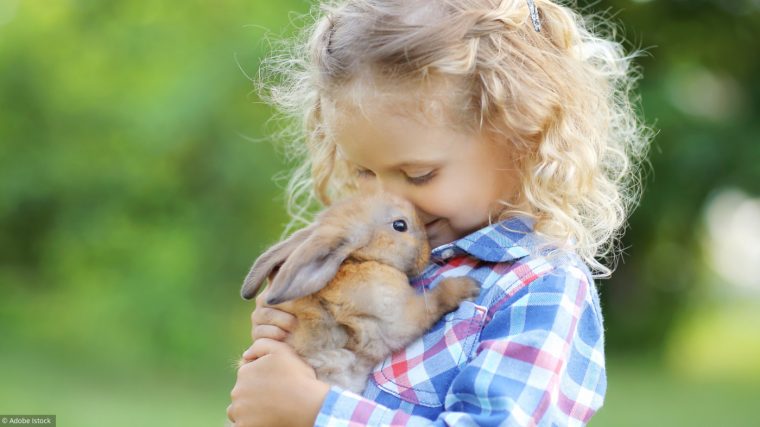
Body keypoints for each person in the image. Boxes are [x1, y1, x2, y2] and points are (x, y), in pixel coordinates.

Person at [227, 0, 650, 425]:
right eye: (364, 171)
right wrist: (291, 338)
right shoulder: (376, 253)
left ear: (521, 137)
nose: (388, 201)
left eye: (418, 174)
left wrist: (317, 412)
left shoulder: (537, 290)